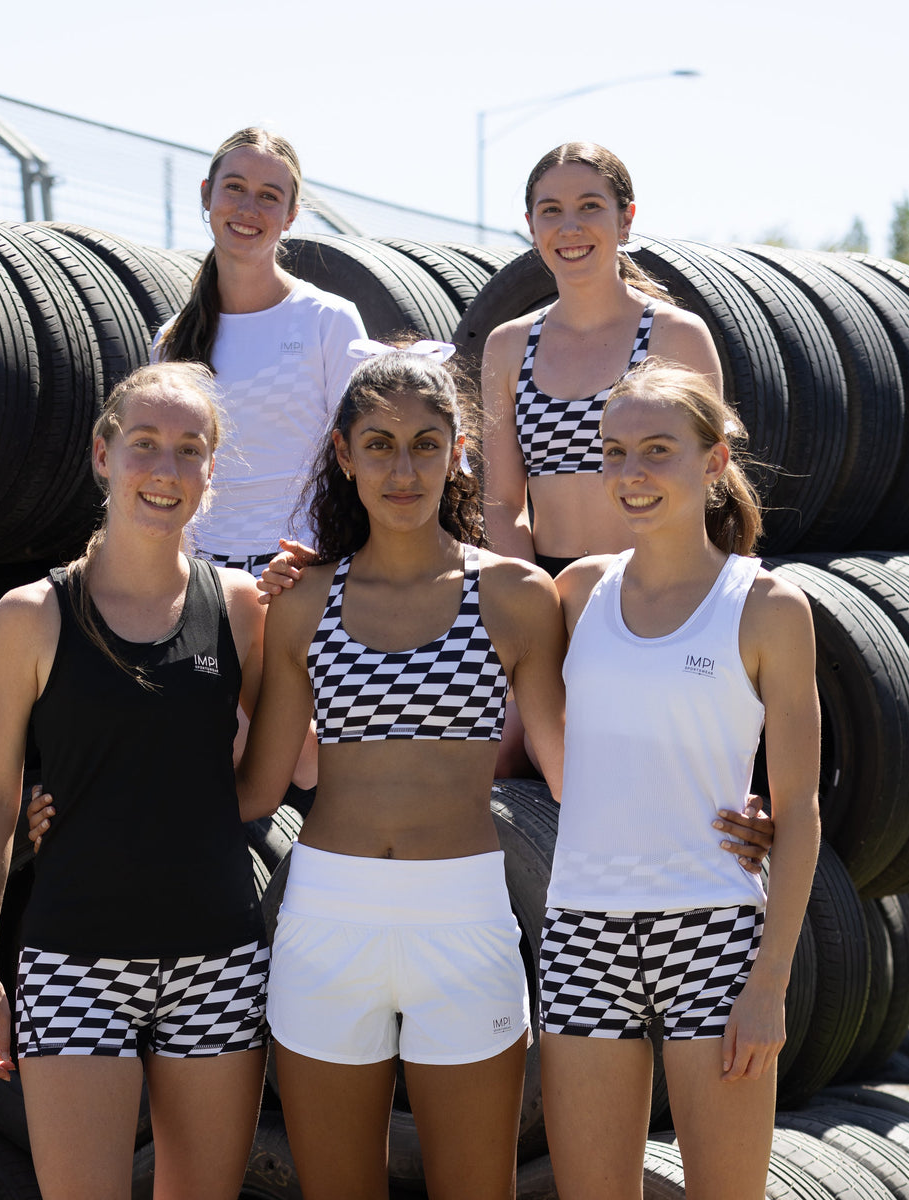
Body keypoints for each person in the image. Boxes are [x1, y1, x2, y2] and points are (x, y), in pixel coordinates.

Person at [234, 339, 569, 1199]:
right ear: (343, 457)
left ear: (460, 449)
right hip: (326, 922)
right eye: (378, 444)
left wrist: (721, 812)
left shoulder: (515, 596)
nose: (404, 468)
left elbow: (571, 773)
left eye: (427, 442)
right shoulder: (305, 602)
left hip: (464, 921)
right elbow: (257, 791)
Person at [0, 362, 270, 1200]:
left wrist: (312, 607)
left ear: (210, 472)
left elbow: (275, 772)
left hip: (219, 960)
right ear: (104, 455)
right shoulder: (31, 614)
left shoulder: (240, 607)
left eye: (189, 450)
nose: (165, 471)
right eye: (144, 446)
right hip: (72, 961)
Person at [540, 358, 820, 1200]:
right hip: (580, 931)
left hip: (715, 936)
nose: (630, 474)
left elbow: (799, 809)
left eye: (656, 450)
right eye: (614, 452)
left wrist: (769, 982)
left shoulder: (767, 605)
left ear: (714, 459)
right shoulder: (576, 590)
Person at [479, 141, 733, 780]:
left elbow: (708, 482)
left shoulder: (676, 335)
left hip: (657, 591)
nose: (570, 227)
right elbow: (503, 502)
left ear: (626, 219)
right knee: (507, 755)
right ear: (532, 225)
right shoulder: (509, 346)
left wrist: (648, 596)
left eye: (590, 207)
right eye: (551, 210)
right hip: (551, 596)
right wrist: (532, 602)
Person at [151, 126, 367, 578]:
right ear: (207, 195)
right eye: (234, 188)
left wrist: (321, 558)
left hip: (304, 571)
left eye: (269, 196)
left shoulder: (329, 320)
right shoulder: (173, 339)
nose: (248, 208)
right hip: (198, 578)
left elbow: (361, 459)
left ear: (291, 215)